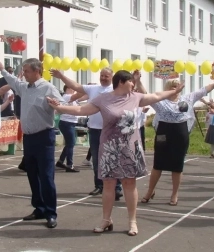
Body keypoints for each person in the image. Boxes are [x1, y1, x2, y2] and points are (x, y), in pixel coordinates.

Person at [47, 70, 184, 236]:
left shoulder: (135, 97)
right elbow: (81, 111)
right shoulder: (103, 99)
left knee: (129, 184)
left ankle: (132, 222)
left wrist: (174, 91)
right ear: (121, 81)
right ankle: (106, 220)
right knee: (109, 184)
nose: (133, 84)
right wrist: (59, 107)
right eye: (131, 82)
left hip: (130, 148)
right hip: (110, 148)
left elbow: (156, 95)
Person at [0, 59, 64, 229]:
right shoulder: (24, 87)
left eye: (27, 71)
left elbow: (62, 104)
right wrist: (3, 71)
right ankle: (39, 208)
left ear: (37, 72)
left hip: (44, 137)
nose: (24, 73)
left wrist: (58, 105)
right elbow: (14, 81)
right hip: (29, 138)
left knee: (46, 177)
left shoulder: (48, 88)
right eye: (23, 70)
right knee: (32, 174)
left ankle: (51, 212)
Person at [141, 79, 214, 205]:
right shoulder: (160, 99)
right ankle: (150, 191)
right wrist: (138, 80)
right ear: (167, 87)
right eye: (172, 86)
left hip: (180, 133)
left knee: (177, 166)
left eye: (177, 86)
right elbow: (145, 93)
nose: (175, 89)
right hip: (163, 133)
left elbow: (204, 90)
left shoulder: (188, 98)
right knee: (158, 165)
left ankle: (174, 194)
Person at [51, 68, 123, 200]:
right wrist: (61, 76)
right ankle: (99, 186)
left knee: (113, 159)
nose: (103, 78)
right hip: (95, 130)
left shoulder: (116, 89)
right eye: (101, 75)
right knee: (96, 160)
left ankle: (117, 187)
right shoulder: (93, 89)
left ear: (112, 77)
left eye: (106, 76)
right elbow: (75, 86)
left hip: (111, 130)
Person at [55, 85, 79, 172]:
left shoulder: (68, 97)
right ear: (67, 89)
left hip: (68, 123)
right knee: (71, 144)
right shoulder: (68, 96)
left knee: (69, 143)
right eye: (71, 88)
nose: (73, 90)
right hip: (67, 123)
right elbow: (79, 96)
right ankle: (69, 164)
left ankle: (61, 161)